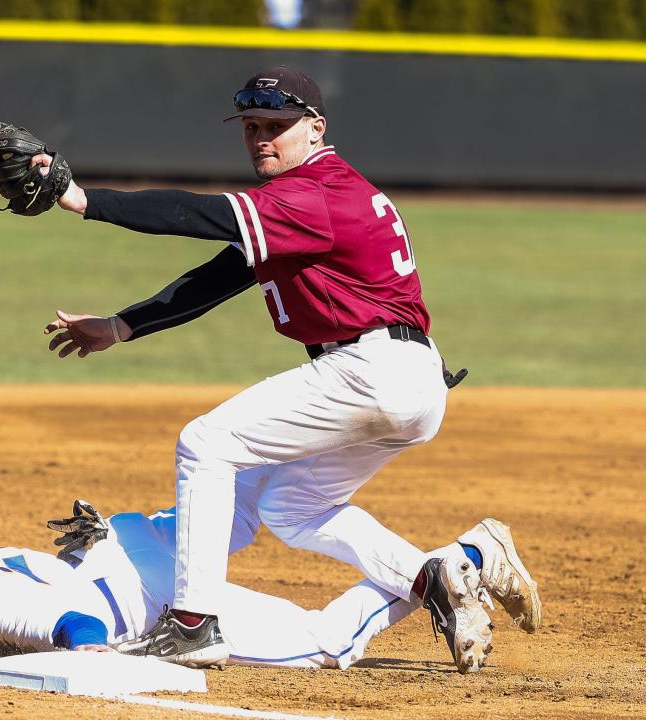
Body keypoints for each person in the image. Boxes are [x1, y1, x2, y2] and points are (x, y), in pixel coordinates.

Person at [34, 65, 541, 667]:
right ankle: (439, 576)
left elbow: (194, 215)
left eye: (277, 125)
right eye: (251, 126)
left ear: (316, 128)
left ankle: (193, 624)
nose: (261, 139)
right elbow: (224, 273)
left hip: (370, 369)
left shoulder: (310, 193)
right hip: (411, 378)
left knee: (205, 444)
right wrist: (121, 326)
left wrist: (80, 199)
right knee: (292, 511)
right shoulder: (311, 197)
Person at [0, 494, 499, 673]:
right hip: (120, 553)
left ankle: (464, 553)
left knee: (324, 645)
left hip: (148, 587)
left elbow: (78, 634)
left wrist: (97, 672)